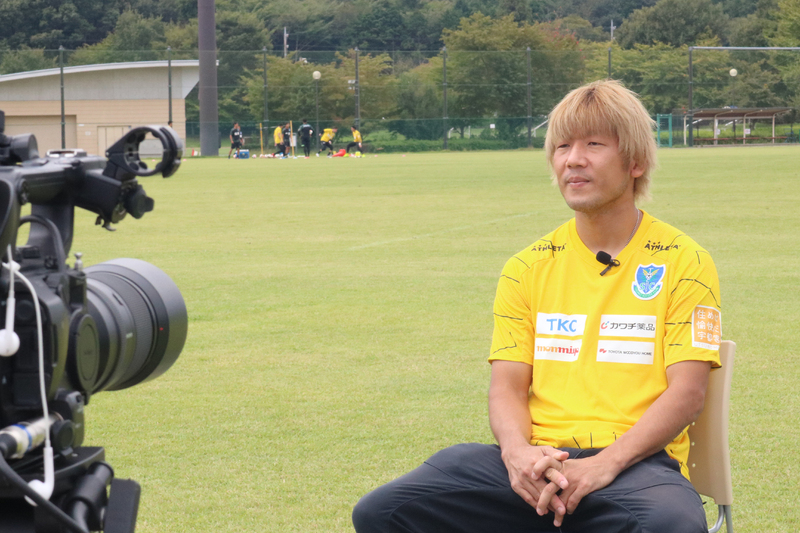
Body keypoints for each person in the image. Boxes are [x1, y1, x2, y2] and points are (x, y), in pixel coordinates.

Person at [352, 79, 722, 533]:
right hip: (537, 463)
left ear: (636, 162)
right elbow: (506, 387)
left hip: (635, 466)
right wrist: (516, 453)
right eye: (562, 146)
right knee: (383, 511)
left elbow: (687, 393)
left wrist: (605, 464)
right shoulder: (526, 266)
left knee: (671, 526)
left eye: (594, 144)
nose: (573, 159)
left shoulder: (685, 260)